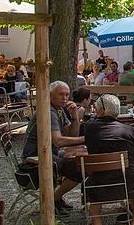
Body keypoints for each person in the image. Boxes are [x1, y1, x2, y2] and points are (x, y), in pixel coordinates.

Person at [84, 94, 134, 225]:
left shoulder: (89, 129)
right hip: (129, 186)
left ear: (102, 110)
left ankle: (97, 222)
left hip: (98, 187)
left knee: (91, 183)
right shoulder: (129, 131)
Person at [22, 81, 84, 214]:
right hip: (34, 160)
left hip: (49, 154)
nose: (65, 98)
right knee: (78, 168)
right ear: (50, 95)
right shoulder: (48, 112)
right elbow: (58, 141)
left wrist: (74, 116)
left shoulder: (59, 110)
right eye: (61, 94)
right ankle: (54, 199)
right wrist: (87, 139)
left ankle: (57, 197)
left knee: (77, 159)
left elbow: (72, 134)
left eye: (67, 95)